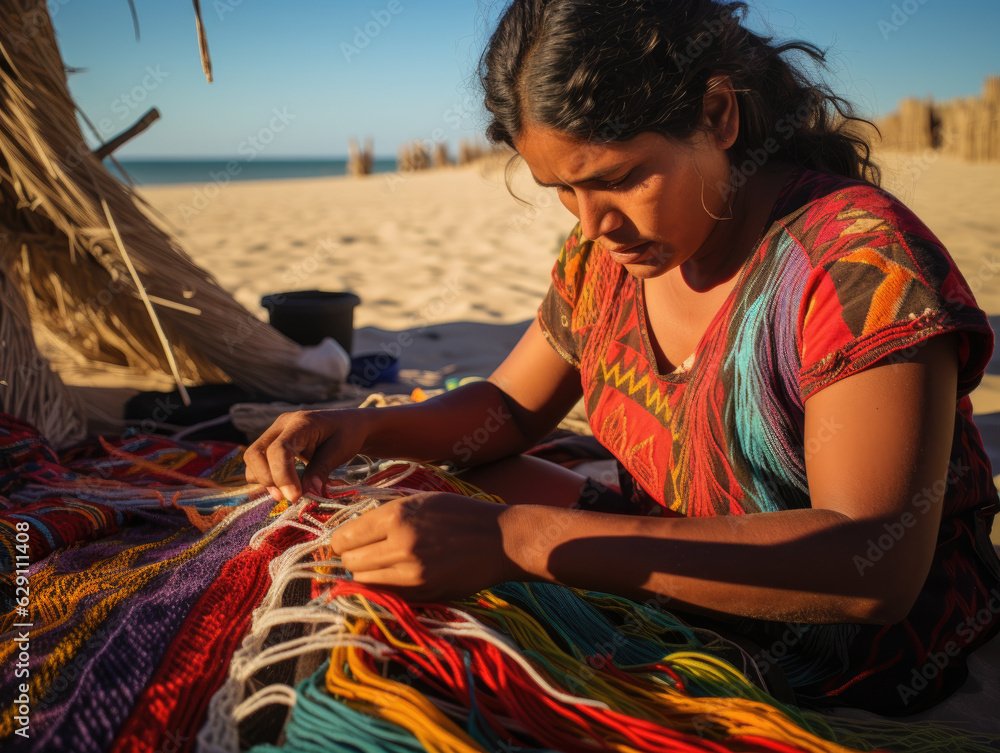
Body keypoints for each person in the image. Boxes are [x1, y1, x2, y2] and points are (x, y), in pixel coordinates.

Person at [245, 0, 1000, 716]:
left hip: (847, 652)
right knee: (442, 481)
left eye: (619, 178)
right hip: (664, 552)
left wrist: (522, 541)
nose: (594, 223)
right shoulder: (604, 260)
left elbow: (872, 563)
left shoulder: (855, 263)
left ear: (717, 114)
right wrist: (361, 428)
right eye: (564, 190)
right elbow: (507, 411)